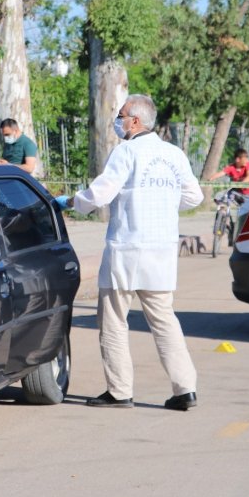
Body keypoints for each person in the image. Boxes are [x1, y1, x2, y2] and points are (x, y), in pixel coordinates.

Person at [57, 94, 204, 411]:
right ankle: (185, 389)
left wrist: (71, 202)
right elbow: (194, 197)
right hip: (161, 252)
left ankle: (120, 391)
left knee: (112, 322)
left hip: (126, 250)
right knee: (164, 321)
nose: (118, 120)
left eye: (121, 115)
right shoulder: (173, 154)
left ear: (135, 121)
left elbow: (100, 194)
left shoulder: (126, 152)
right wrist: (164, 203)